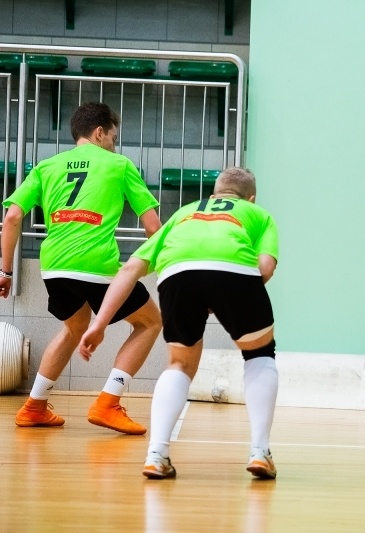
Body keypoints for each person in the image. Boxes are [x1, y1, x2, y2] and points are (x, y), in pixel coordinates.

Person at [79, 167, 280, 480]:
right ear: (250, 198)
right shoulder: (258, 214)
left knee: (179, 364)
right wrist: (226, 295)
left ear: (213, 194)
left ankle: (156, 455)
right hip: (235, 271)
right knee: (259, 354)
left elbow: (130, 269)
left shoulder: (183, 214)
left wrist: (99, 323)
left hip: (177, 275)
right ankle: (259, 452)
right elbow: (265, 268)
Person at [0, 102, 162, 435]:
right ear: (100, 132)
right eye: (113, 138)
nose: (114, 145)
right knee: (149, 323)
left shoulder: (46, 166)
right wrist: (160, 267)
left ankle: (34, 407)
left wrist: (5, 272)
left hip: (54, 265)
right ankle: (108, 402)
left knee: (74, 327)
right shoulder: (119, 165)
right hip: (96, 263)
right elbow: (153, 227)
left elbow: (13, 216)